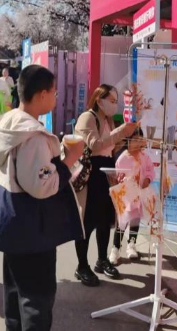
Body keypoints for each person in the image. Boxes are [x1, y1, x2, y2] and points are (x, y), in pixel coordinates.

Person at [0, 64, 84, 331]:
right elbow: (41, 185)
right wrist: (69, 159)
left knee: (15, 294)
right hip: (32, 230)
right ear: (41, 94)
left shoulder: (9, 123)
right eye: (54, 92)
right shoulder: (32, 136)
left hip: (12, 224)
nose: (56, 97)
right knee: (36, 299)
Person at [74, 84, 139, 286]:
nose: (114, 105)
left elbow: (110, 146)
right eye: (111, 100)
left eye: (116, 101)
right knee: (87, 222)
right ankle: (81, 266)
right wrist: (120, 131)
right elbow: (95, 144)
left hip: (107, 170)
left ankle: (102, 260)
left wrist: (125, 135)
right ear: (99, 100)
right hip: (92, 172)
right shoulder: (88, 117)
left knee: (105, 219)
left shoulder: (108, 120)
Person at [110, 129, 154, 265]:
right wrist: (121, 180)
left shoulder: (144, 157)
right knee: (122, 223)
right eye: (135, 139)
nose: (138, 142)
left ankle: (131, 244)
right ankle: (115, 248)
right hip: (126, 197)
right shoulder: (123, 158)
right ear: (128, 141)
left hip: (139, 195)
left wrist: (148, 179)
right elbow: (117, 176)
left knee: (135, 220)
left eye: (140, 139)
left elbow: (150, 171)